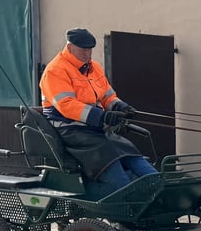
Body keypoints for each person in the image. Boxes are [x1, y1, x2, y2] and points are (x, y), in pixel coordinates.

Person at [39, 28, 158, 194]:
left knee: (129, 152)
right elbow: (66, 105)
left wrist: (120, 106)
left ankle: (157, 185)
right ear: (70, 47)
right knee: (109, 157)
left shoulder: (94, 67)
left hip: (93, 128)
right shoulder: (55, 71)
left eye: (90, 50)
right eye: (83, 50)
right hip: (69, 129)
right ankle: (128, 195)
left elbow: (107, 96)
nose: (87, 54)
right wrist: (102, 116)